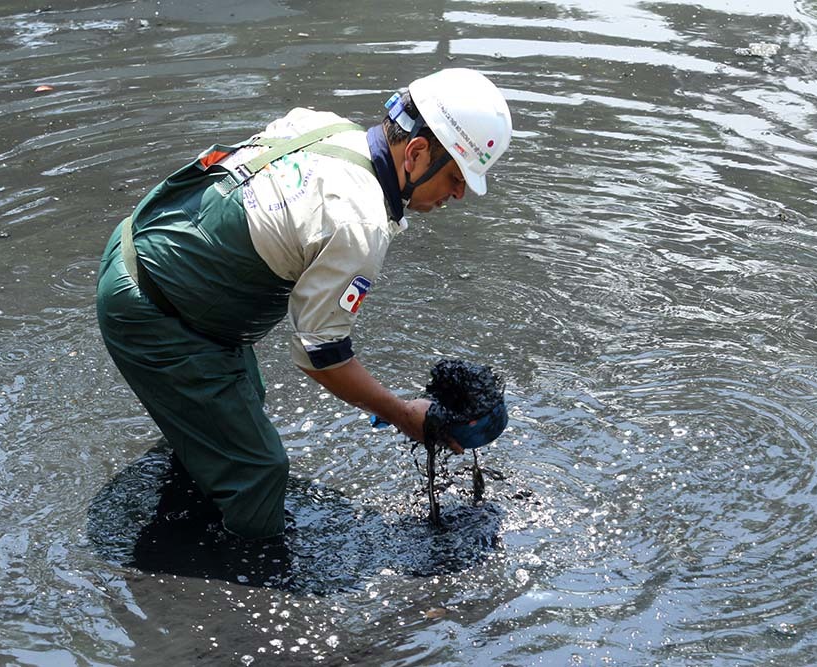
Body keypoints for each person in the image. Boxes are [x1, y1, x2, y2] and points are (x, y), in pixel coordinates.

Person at [96, 68, 513, 539]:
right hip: (155, 311)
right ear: (416, 154)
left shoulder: (326, 126)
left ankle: (193, 482)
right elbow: (320, 355)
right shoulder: (360, 224)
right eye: (456, 177)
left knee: (243, 404)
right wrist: (402, 413)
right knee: (260, 474)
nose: (458, 194)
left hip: (141, 248)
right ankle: (218, 587)